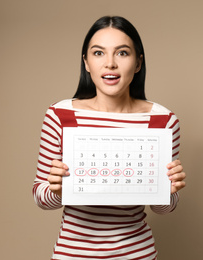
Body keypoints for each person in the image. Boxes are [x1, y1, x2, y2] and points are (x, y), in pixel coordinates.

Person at [33, 16, 186, 260]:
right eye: (98, 53)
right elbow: (42, 198)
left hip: (137, 254)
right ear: (86, 63)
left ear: (138, 63)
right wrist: (58, 189)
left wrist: (169, 191)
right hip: (73, 255)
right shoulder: (61, 115)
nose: (110, 64)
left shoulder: (162, 120)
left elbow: (163, 208)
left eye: (122, 53)